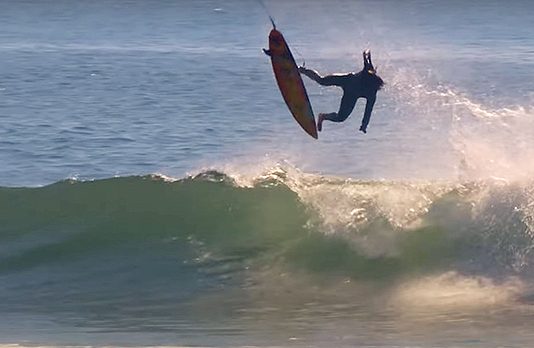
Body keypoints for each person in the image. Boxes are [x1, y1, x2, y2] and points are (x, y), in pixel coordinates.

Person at [298, 50, 384, 133]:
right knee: (322, 80)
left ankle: (323, 116)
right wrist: (367, 54)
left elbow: (368, 111)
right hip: (345, 79)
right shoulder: (369, 73)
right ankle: (302, 70)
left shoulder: (372, 94)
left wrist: (364, 125)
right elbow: (366, 57)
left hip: (350, 96)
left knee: (341, 117)